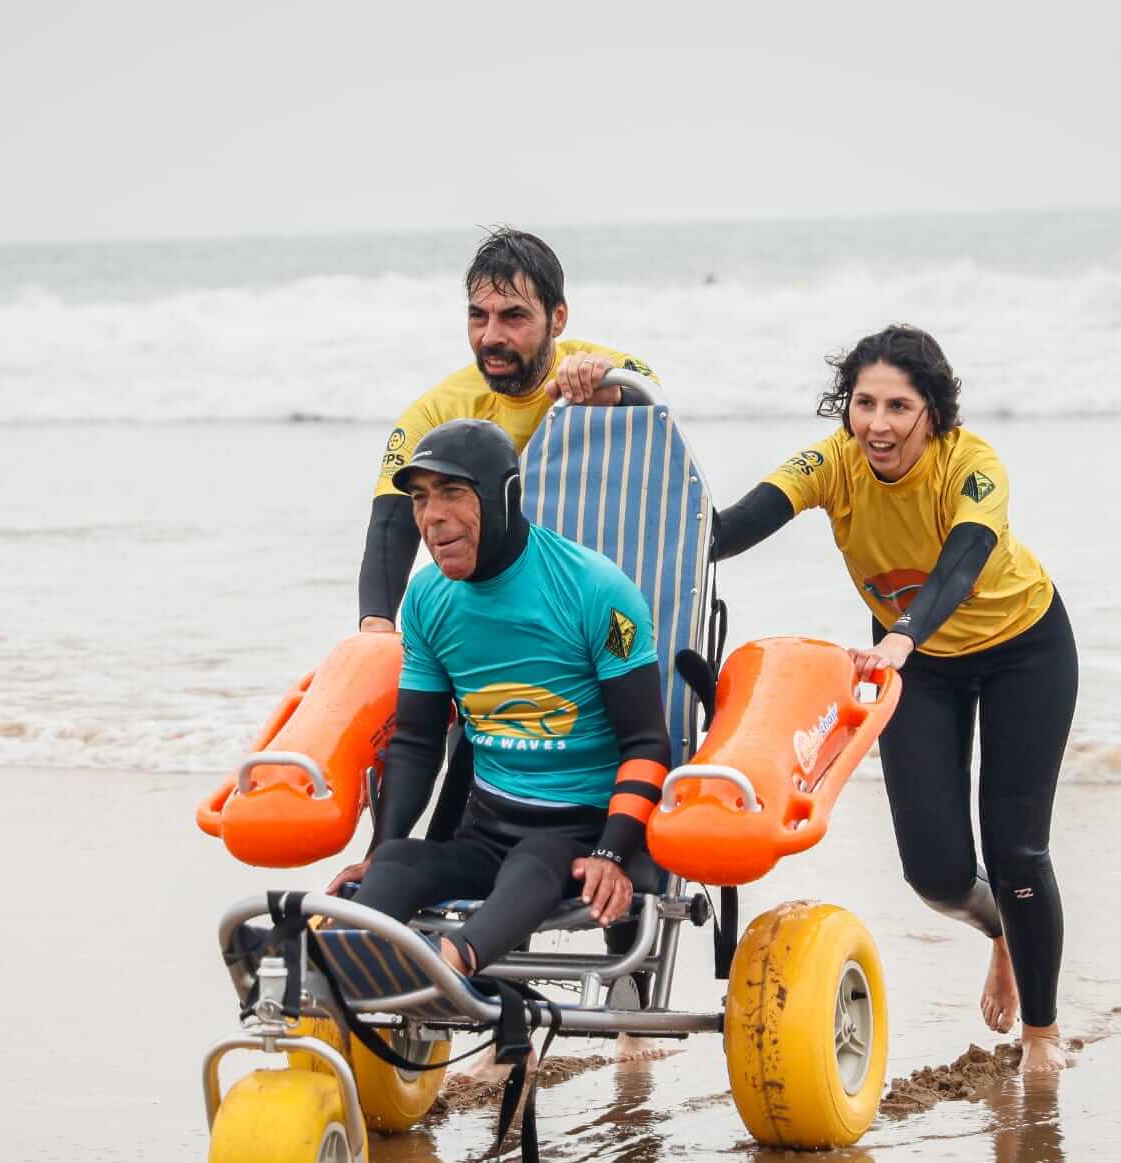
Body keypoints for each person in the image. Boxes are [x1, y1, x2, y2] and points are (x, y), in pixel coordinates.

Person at [711, 326, 1079, 1074]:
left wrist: (905, 634)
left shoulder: (971, 465)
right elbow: (733, 528)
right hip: (918, 663)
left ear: (932, 413)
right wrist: (655, 542)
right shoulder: (833, 463)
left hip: (1023, 651)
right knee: (936, 872)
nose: (877, 424)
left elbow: (962, 562)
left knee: (1015, 849)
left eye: (899, 407)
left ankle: (1041, 1035)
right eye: (863, 403)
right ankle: (999, 931)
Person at [326, 419, 671, 976]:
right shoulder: (426, 598)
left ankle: (450, 966)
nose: (431, 517)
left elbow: (648, 743)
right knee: (395, 862)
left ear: (503, 495)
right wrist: (377, 850)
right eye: (418, 498)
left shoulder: (598, 591)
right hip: (486, 829)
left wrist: (611, 853)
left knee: (534, 863)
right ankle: (336, 965)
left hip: (580, 831)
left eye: (452, 492)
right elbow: (417, 742)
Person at [356, 227, 657, 632]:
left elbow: (663, 441)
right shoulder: (437, 411)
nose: (491, 337)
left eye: (514, 316)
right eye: (478, 316)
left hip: (602, 606)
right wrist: (376, 629)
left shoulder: (610, 371)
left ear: (558, 318)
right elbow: (392, 525)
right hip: (491, 612)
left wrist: (612, 399)